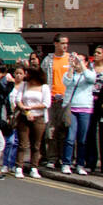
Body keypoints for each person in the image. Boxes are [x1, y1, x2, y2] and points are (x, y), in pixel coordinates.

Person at [61, 52, 96, 175]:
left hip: (85, 108)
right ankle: (66, 163)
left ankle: (80, 164)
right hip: (72, 108)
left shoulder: (89, 74)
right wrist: (71, 66)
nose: (77, 62)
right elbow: (67, 82)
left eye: (80, 60)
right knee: (70, 138)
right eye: (76, 60)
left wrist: (81, 63)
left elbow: (91, 79)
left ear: (86, 62)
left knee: (82, 139)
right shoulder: (70, 73)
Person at [13, 65, 50, 179]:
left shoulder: (44, 87)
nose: (26, 75)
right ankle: (19, 167)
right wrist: (24, 108)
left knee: (36, 144)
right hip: (24, 117)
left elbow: (46, 103)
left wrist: (32, 107)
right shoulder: (24, 85)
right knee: (23, 144)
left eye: (29, 73)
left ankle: (34, 167)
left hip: (38, 118)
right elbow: (18, 99)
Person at [40, 34, 71, 166]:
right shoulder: (48, 60)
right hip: (51, 99)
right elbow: (42, 78)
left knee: (65, 129)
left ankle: (65, 158)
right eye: (63, 43)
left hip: (66, 99)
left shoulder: (71, 59)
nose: (65, 46)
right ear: (56, 44)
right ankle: (52, 158)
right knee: (51, 130)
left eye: (66, 43)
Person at [84, 46, 103, 173]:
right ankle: (91, 162)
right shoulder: (88, 67)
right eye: (95, 52)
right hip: (89, 102)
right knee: (90, 133)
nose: (96, 54)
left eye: (99, 53)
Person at [0, 64, 25, 173]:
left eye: (21, 73)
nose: (18, 75)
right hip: (11, 116)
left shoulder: (25, 86)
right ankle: (5, 163)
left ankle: (13, 164)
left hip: (22, 116)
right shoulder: (10, 86)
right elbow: (5, 101)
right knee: (9, 141)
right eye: (17, 73)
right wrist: (9, 114)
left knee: (17, 142)